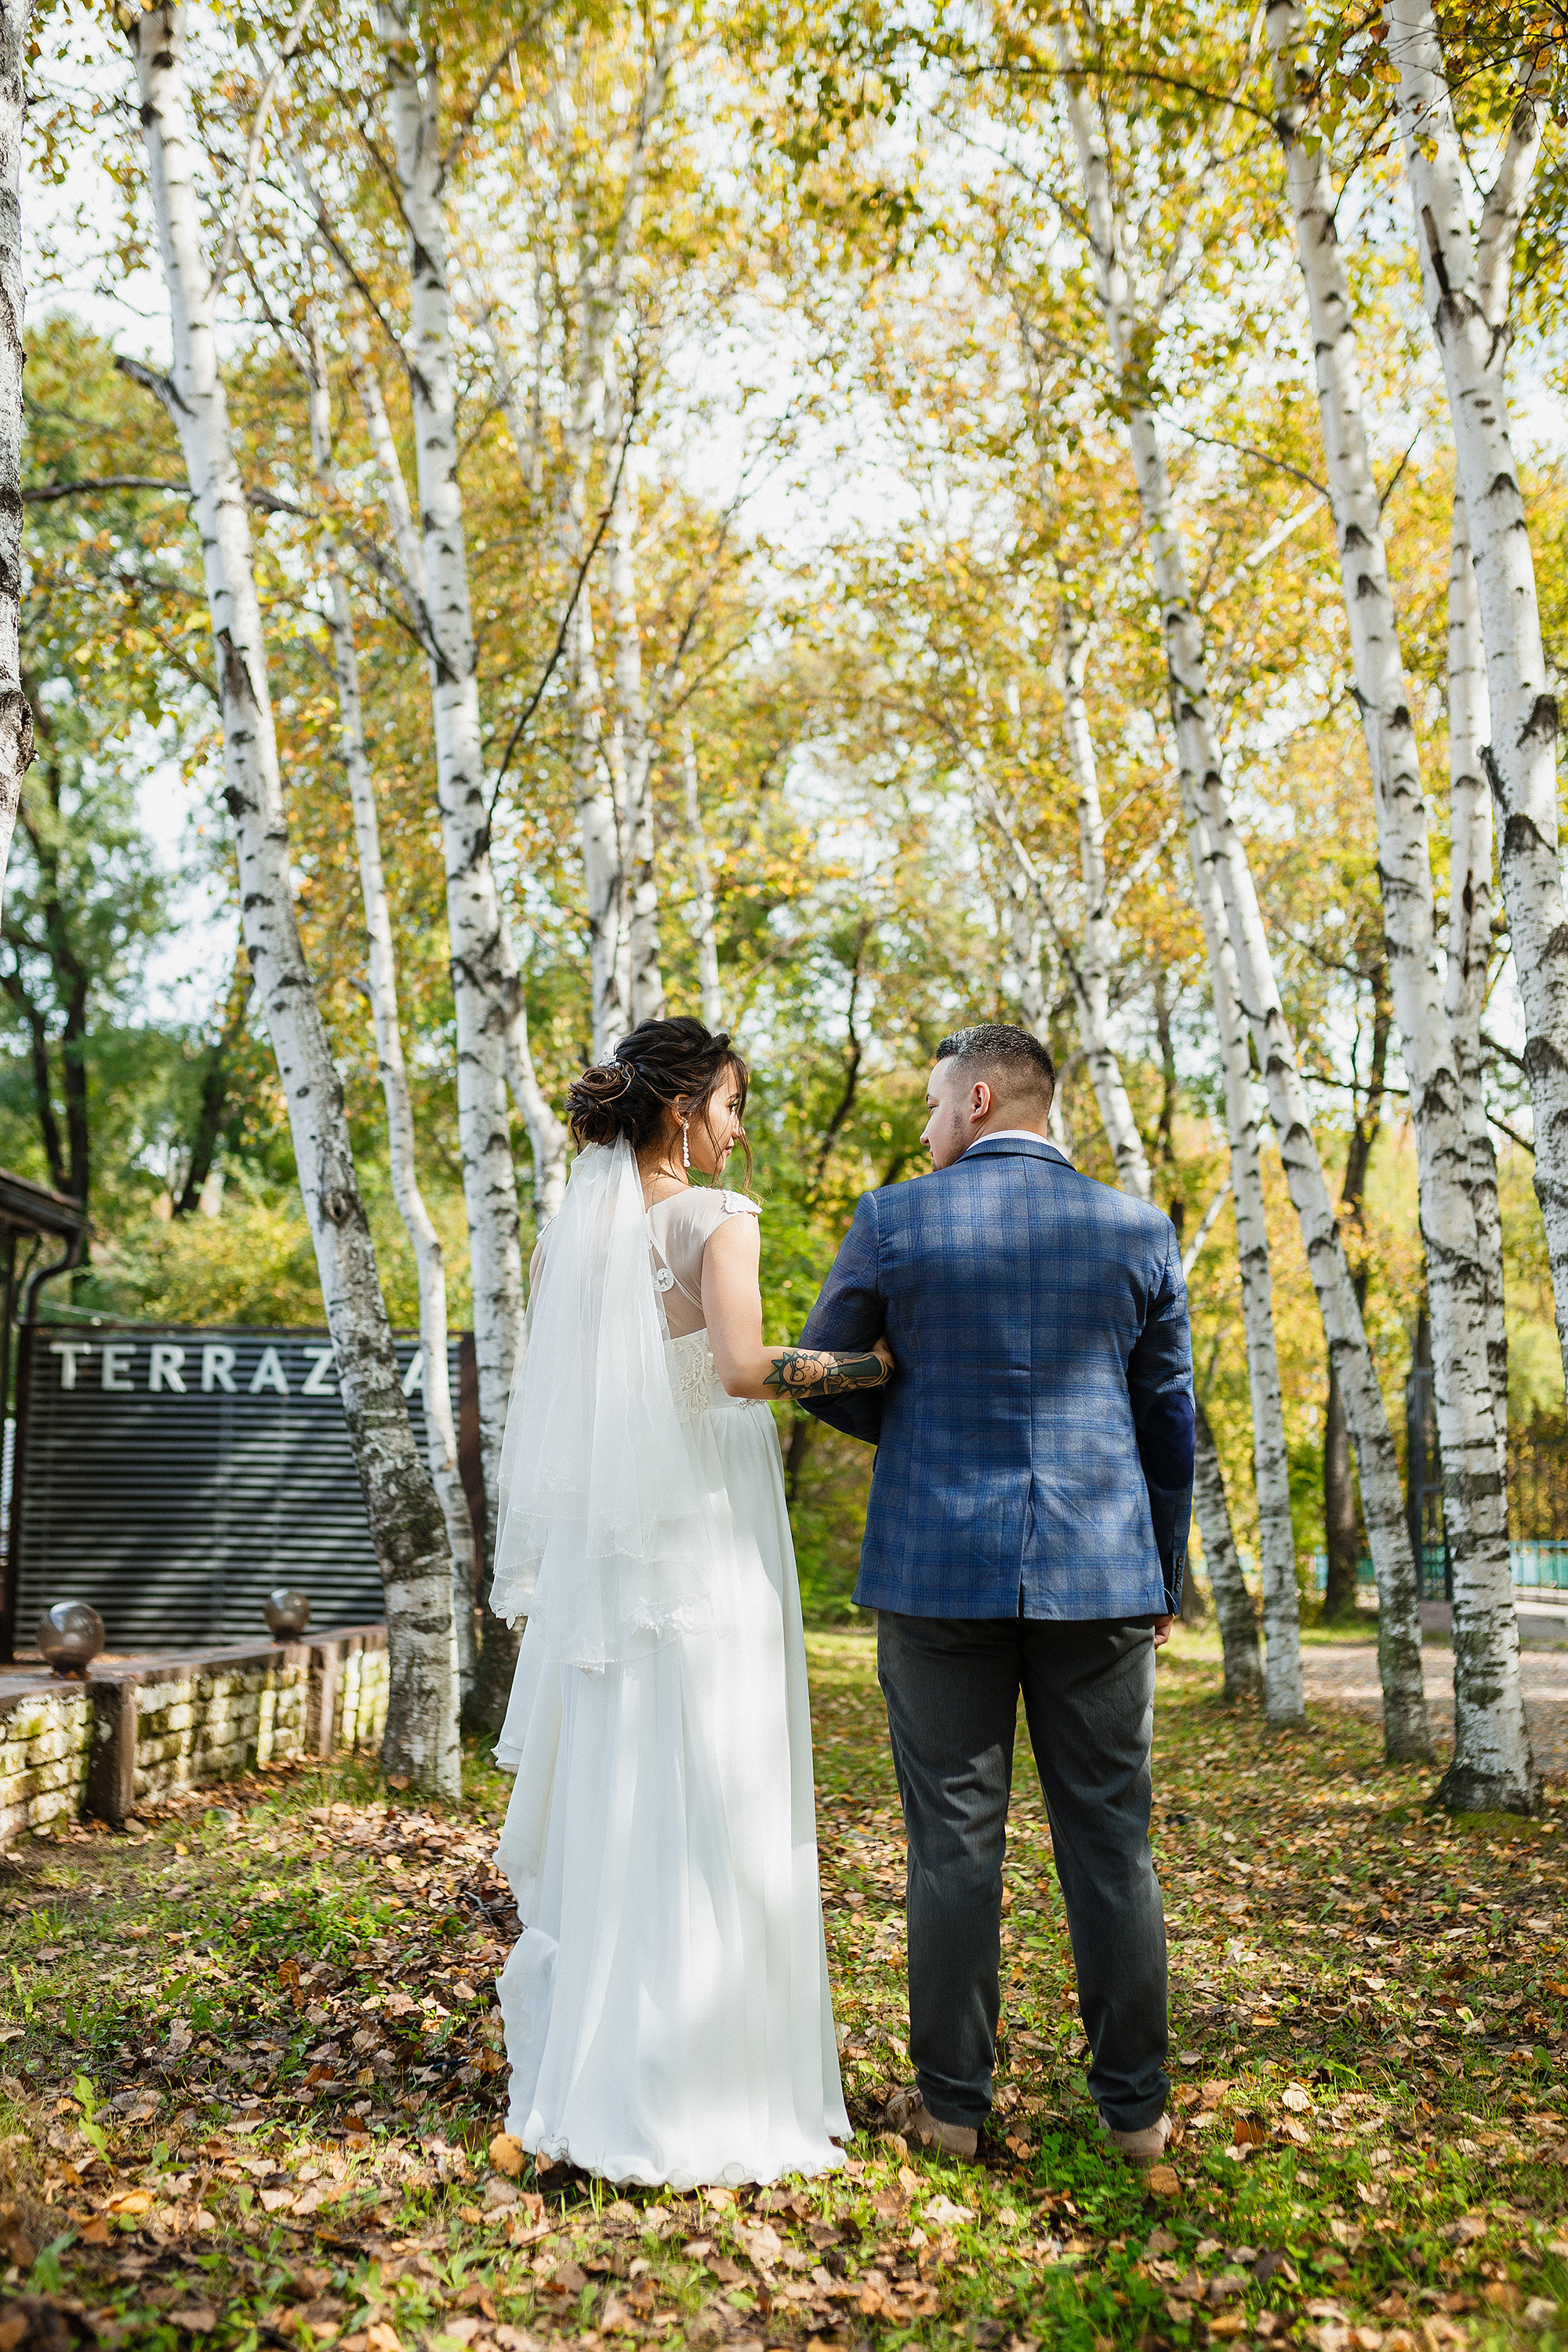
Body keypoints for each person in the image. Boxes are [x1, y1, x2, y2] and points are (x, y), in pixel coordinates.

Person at [487, 1016, 891, 2189]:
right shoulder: (718, 1221)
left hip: (616, 1547)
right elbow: (742, 1368)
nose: (737, 1128)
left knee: (626, 1786)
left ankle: (595, 2078)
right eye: (728, 1106)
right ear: (680, 1111)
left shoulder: (577, 1234)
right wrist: (871, 1366)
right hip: (708, 1521)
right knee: (722, 1775)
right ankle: (715, 2083)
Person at [799, 1022, 1195, 2164]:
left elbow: (827, 1371)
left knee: (954, 1850)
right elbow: (1167, 1420)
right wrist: (1163, 1567)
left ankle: (954, 2114)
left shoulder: (895, 1218)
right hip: (1102, 1573)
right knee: (1112, 1847)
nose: (926, 1131)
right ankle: (1136, 2117)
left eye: (931, 1109)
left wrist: (911, 1427)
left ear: (976, 1100)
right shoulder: (1139, 1229)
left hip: (936, 1571)